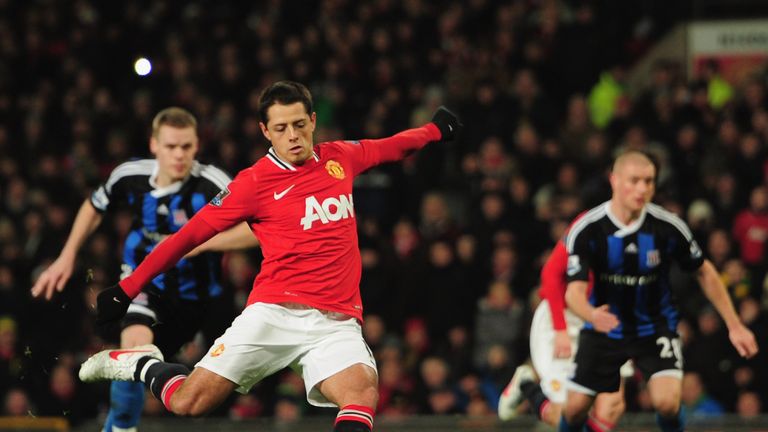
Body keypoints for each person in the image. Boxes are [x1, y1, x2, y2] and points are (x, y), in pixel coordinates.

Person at [77, 81, 461, 432]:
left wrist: (433, 131)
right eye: (280, 128)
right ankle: (139, 363)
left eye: (299, 124)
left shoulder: (339, 157)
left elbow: (390, 146)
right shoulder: (253, 183)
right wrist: (127, 290)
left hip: (336, 322)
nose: (292, 136)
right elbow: (186, 237)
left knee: (361, 393)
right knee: (187, 403)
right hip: (273, 314)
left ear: (313, 121)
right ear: (265, 131)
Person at [31, 107, 256, 432]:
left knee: (207, 392)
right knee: (134, 349)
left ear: (196, 146)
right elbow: (94, 206)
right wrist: (67, 255)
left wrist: (197, 243)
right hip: (146, 280)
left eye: (186, 147)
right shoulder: (129, 175)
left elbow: (256, 229)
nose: (179, 155)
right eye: (170, 146)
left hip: (200, 295)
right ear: (154, 145)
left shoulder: (213, 183)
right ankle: (121, 426)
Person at [560, 150, 758, 432]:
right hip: (605, 327)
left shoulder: (668, 226)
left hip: (654, 327)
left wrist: (734, 324)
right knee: (575, 408)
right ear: (614, 180)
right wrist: (591, 315)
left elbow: (704, 270)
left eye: (649, 181)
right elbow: (573, 293)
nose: (642, 189)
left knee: (667, 403)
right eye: (635, 181)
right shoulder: (587, 229)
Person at [498, 216, 626, 432]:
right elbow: (550, 274)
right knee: (567, 414)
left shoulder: (653, 232)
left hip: (603, 322)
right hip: (562, 317)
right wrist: (560, 330)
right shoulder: (589, 225)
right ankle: (527, 385)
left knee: (613, 406)